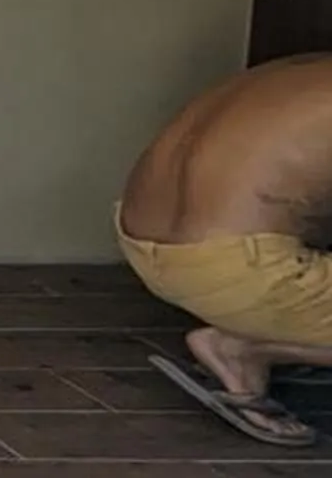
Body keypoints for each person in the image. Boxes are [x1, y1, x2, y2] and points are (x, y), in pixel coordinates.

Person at [118, 56, 332, 447]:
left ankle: (265, 334)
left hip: (142, 240)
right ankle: (245, 349)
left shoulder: (299, 69)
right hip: (238, 271)